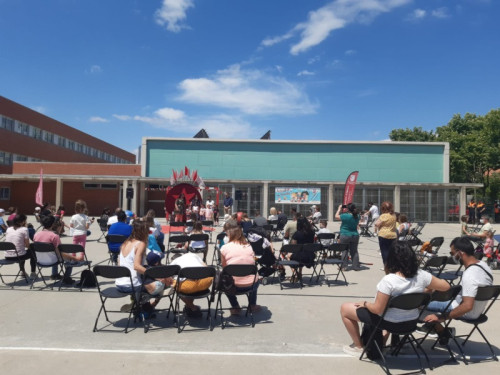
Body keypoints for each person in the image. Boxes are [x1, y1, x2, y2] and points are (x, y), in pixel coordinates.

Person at [340, 241, 450, 356]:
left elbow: (377, 310)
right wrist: (426, 292)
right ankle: (381, 343)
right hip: (411, 322)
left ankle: (358, 346)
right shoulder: (422, 275)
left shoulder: (389, 280)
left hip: (390, 323)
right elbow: (446, 287)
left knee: (345, 309)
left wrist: (365, 303)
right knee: (391, 309)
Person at [421, 237, 494, 345]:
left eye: (452, 253)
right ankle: (435, 328)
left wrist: (441, 317)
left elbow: (467, 306)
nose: (452, 256)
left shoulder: (470, 275)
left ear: (460, 253)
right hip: (478, 310)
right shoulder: (484, 266)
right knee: (432, 295)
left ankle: (442, 331)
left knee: (418, 304)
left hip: (466, 311)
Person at [115, 221, 171, 313]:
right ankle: (148, 306)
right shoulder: (140, 244)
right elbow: (136, 266)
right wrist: (158, 276)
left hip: (120, 284)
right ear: (143, 232)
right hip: (132, 286)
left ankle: (137, 303)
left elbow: (120, 264)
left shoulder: (125, 243)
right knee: (165, 282)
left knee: (149, 279)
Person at [221, 219, 260, 315]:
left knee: (224, 279)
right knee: (254, 275)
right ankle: (252, 305)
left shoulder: (224, 248)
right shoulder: (249, 246)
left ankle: (235, 306)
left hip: (233, 286)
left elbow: (224, 268)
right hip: (251, 285)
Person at [33, 215, 79, 284]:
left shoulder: (36, 235)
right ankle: (66, 278)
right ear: (52, 224)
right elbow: (60, 252)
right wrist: (73, 257)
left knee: (53, 254)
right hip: (52, 261)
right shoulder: (54, 236)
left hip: (40, 261)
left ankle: (54, 274)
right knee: (70, 260)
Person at [170, 252, 214, 318]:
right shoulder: (192, 255)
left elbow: (169, 277)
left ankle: (192, 307)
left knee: (175, 284)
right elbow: (206, 266)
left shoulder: (174, 262)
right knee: (191, 278)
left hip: (189, 287)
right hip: (205, 283)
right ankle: (188, 307)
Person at [4, 214, 36, 279]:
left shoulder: (8, 229)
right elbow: (27, 245)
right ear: (23, 221)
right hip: (18, 256)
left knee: (21, 251)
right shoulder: (24, 229)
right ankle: (33, 272)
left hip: (7, 256)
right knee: (32, 251)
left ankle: (22, 272)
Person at [335, 203, 361, 271]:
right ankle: (356, 266)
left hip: (345, 234)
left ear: (348, 209)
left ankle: (344, 266)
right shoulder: (357, 216)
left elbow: (336, 216)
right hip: (355, 235)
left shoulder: (345, 215)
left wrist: (339, 209)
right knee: (354, 251)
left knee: (344, 251)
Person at [374, 201, 397, 265]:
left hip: (384, 235)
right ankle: (393, 265)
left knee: (384, 252)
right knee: (392, 252)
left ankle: (387, 266)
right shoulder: (393, 215)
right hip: (393, 235)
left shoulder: (383, 215)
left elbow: (377, 224)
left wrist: (377, 223)